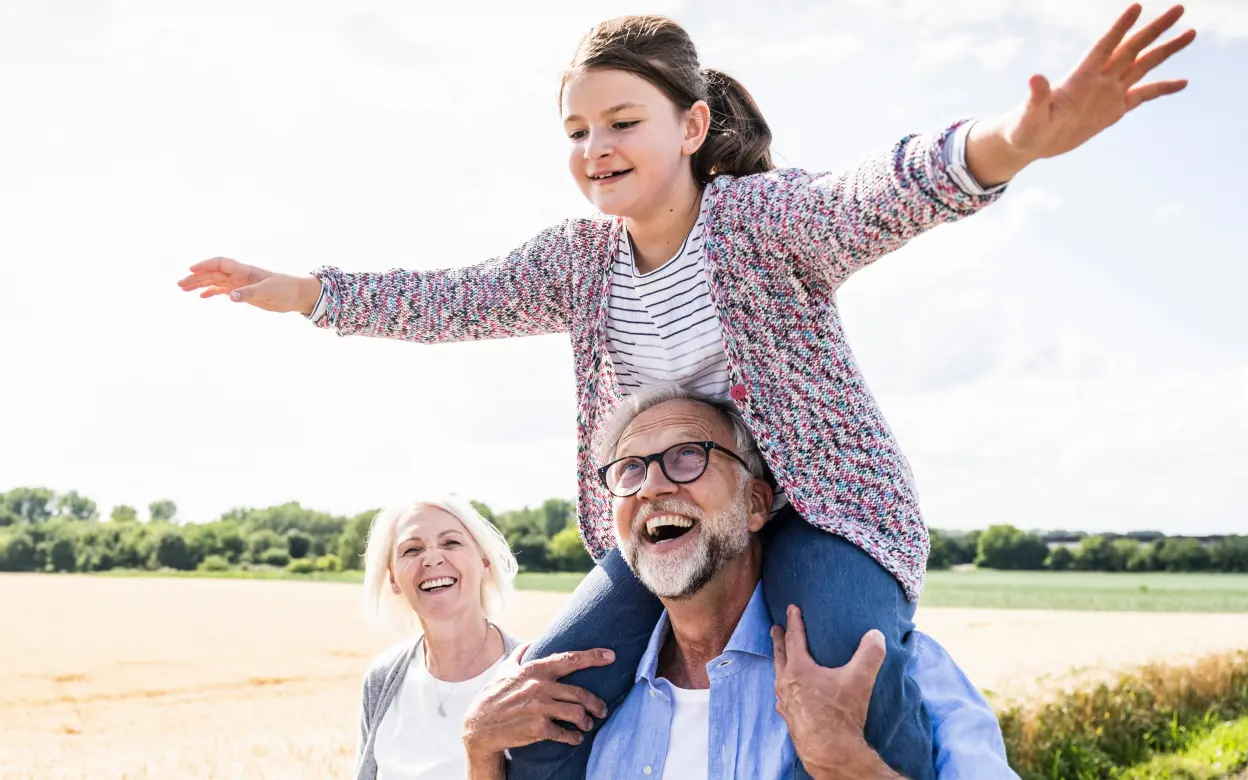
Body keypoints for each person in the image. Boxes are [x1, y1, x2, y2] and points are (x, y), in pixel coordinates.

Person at [178, 7, 1194, 778]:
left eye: (621, 121)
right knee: (540, 701)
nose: (594, 150)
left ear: (693, 124)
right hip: (673, 517)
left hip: (825, 516)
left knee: (842, 665)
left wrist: (1013, 141)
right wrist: (308, 293)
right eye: (575, 132)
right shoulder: (576, 264)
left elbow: (878, 192)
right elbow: (451, 298)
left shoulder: (761, 223)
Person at [460, 386, 1018, 779]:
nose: (652, 485)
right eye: (629, 469)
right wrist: (479, 753)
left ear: (755, 504)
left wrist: (845, 761)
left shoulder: (884, 663)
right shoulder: (571, 698)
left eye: (687, 456)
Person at [354, 495, 522, 780]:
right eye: (411, 549)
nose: (432, 559)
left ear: (484, 563)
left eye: (451, 543)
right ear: (393, 578)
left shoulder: (527, 676)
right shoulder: (382, 678)